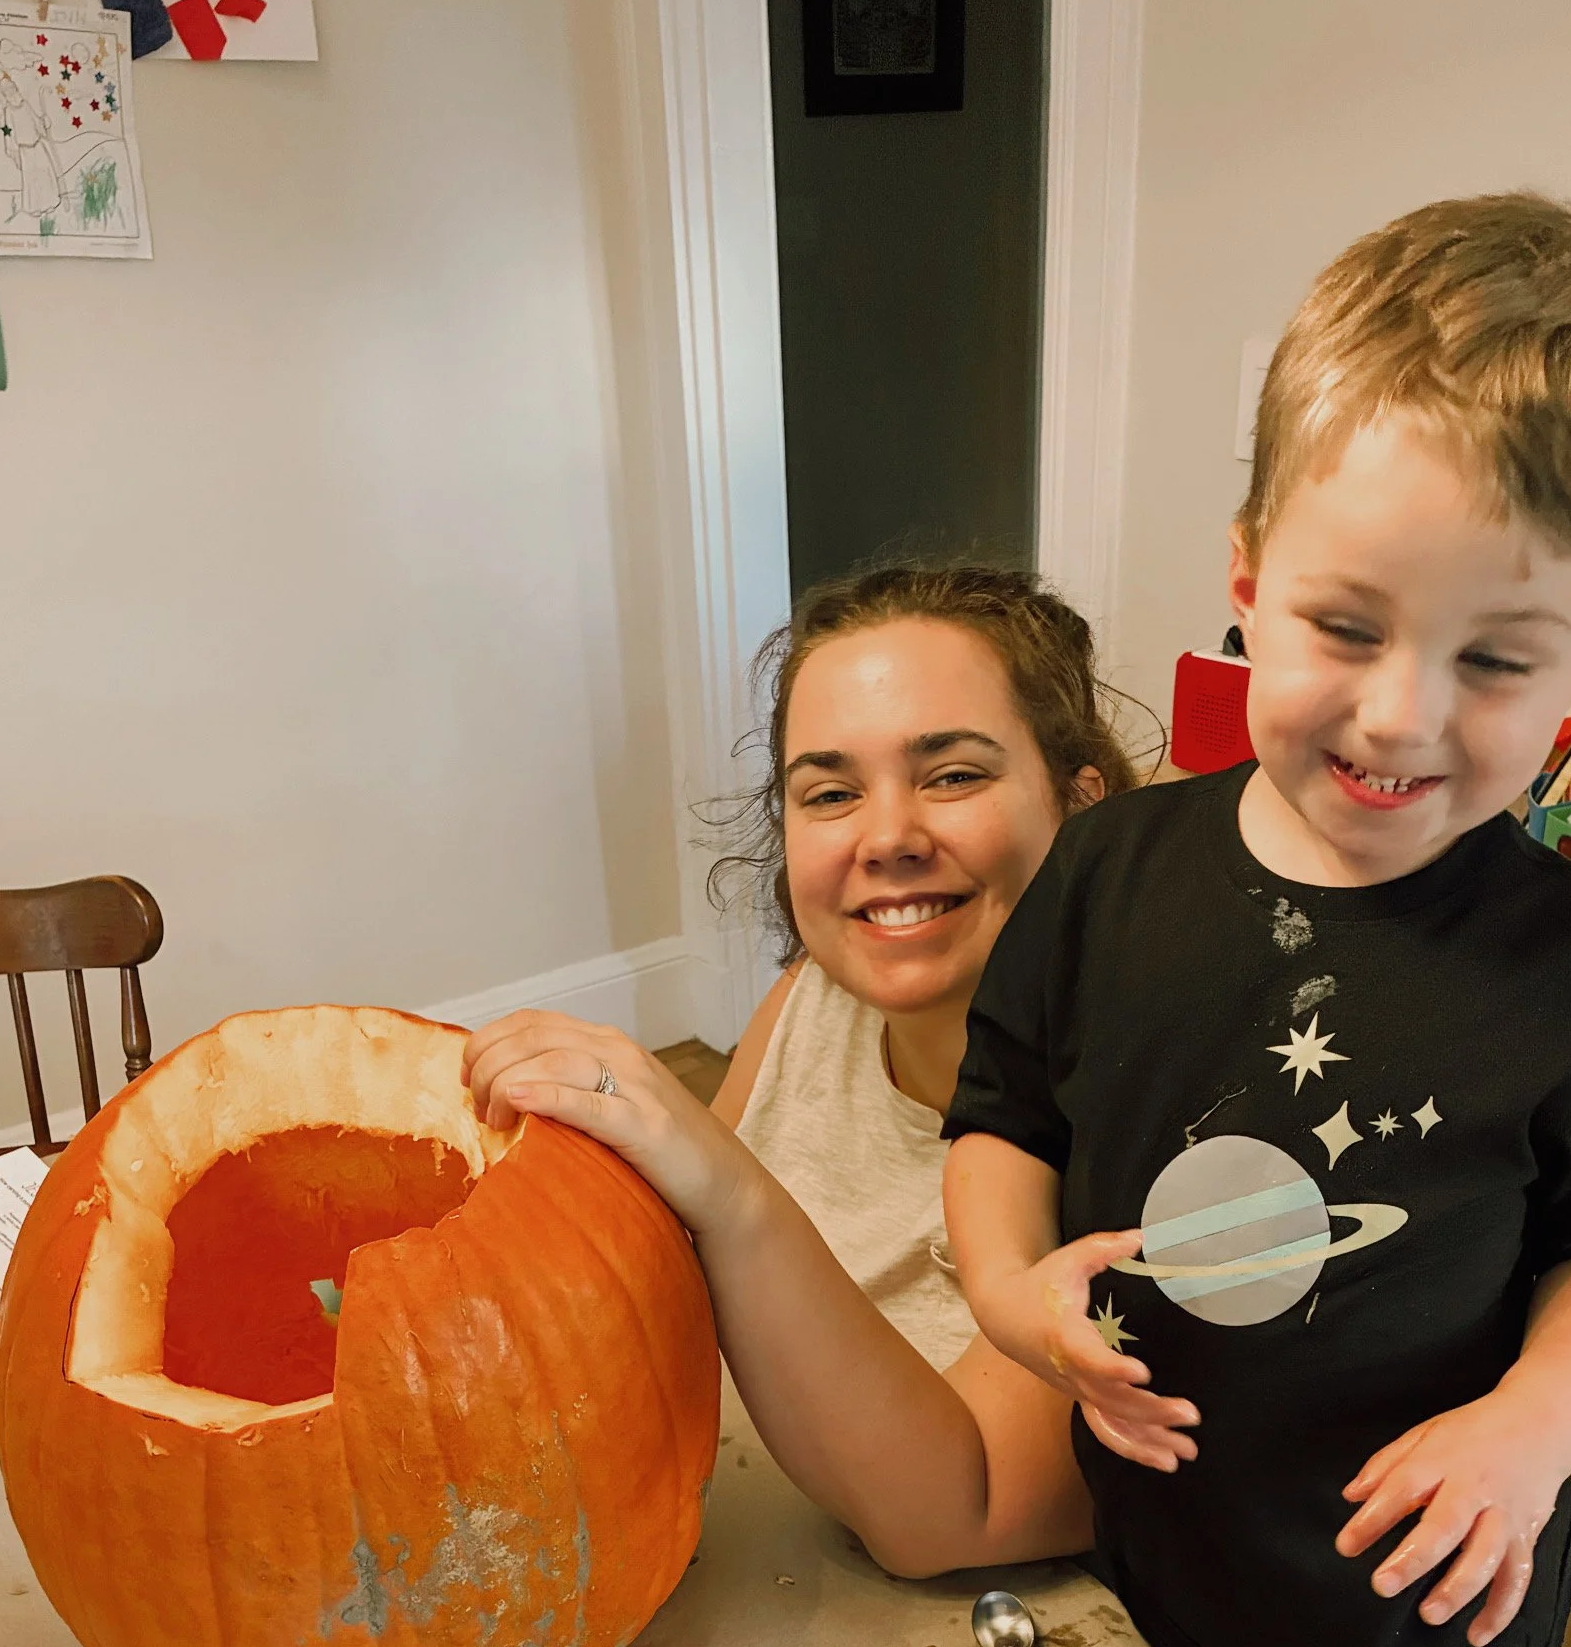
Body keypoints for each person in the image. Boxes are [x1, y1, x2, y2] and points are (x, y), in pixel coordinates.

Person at [940, 194, 1571, 1647]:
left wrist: (1541, 1428)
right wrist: (1005, 1292)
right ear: (1246, 570)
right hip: (1146, 1581)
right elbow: (1004, 1119)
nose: (1396, 716)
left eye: (1495, 663)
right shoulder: (1111, 872)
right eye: (1345, 627)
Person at [462, 565, 1133, 1564]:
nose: (888, 836)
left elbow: (963, 1512)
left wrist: (725, 1187)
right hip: (756, 1534)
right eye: (830, 792)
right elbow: (666, 1282)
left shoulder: (1153, 1106)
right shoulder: (816, 999)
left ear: (1081, 808)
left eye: (952, 774)